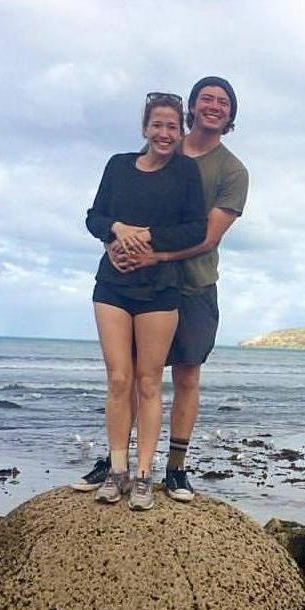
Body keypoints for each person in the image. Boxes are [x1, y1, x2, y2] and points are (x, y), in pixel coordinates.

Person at [73, 77, 248, 503]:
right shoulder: (159, 147)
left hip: (193, 282)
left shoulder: (231, 171)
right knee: (125, 375)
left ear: (230, 116)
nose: (213, 106)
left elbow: (205, 236)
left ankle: (174, 469)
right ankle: (117, 463)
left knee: (184, 374)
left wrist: (154, 254)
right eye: (205, 99)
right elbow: (117, 208)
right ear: (187, 110)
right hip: (132, 279)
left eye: (222, 102)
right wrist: (116, 241)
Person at [86, 92, 206, 510]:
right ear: (145, 128)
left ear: (181, 131)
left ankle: (143, 474)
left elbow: (195, 230)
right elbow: (94, 218)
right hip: (112, 286)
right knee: (119, 379)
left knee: (149, 381)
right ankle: (116, 470)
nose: (165, 133)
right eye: (158, 125)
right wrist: (118, 229)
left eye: (173, 126)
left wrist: (147, 237)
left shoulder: (186, 172)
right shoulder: (118, 165)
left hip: (160, 289)